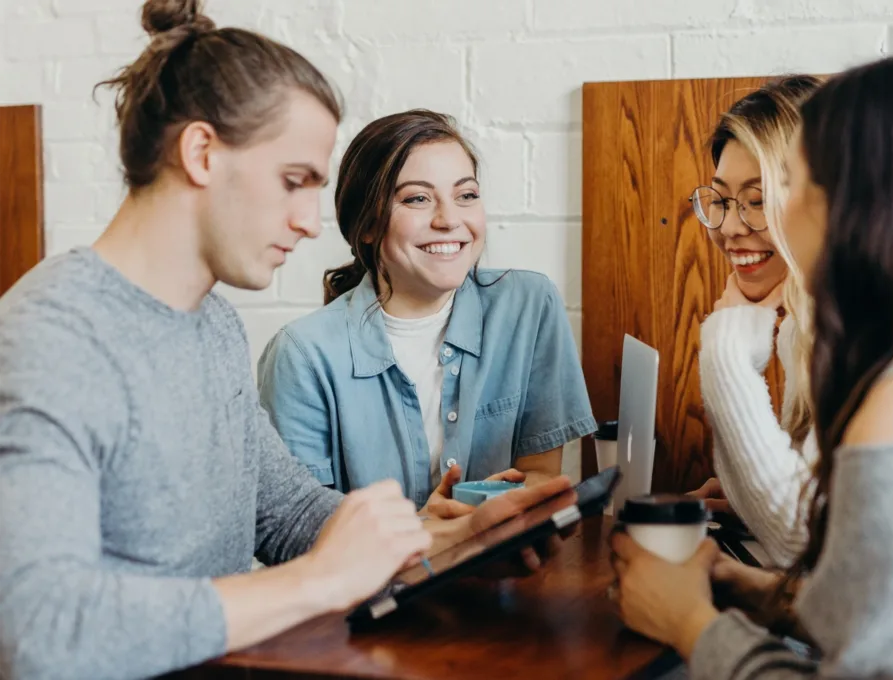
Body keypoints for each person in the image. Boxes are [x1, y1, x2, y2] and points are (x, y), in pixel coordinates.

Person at [0, 3, 570, 678]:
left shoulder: (209, 323)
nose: (308, 222)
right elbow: (39, 631)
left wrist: (434, 540)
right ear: (201, 152)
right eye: (293, 181)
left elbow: (287, 512)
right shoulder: (50, 338)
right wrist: (319, 582)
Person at [612, 53, 893, 677]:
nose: (752, 222)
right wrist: (760, 593)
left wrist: (690, 624)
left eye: (793, 184)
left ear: (863, 201)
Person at [257, 109, 597, 517]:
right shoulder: (302, 355)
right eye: (417, 198)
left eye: (466, 195)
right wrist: (427, 532)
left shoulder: (528, 306)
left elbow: (541, 476)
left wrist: (486, 515)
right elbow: (300, 529)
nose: (450, 220)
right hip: (377, 580)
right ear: (366, 224)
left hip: (503, 570)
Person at [688, 76, 822, 567]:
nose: (729, 227)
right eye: (721, 200)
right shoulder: (802, 326)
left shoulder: (865, 331)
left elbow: (800, 543)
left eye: (759, 199)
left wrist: (726, 349)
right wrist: (748, 498)